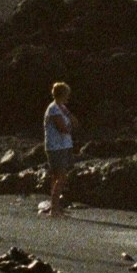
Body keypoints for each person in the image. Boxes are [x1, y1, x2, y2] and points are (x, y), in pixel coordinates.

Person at [40, 82, 76, 217]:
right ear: (62, 94)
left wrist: (69, 114)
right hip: (56, 147)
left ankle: (55, 207)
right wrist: (70, 128)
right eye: (67, 94)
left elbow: (74, 122)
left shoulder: (61, 108)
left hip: (63, 145)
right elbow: (63, 128)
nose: (69, 97)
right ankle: (54, 209)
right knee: (60, 177)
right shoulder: (53, 109)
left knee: (57, 176)